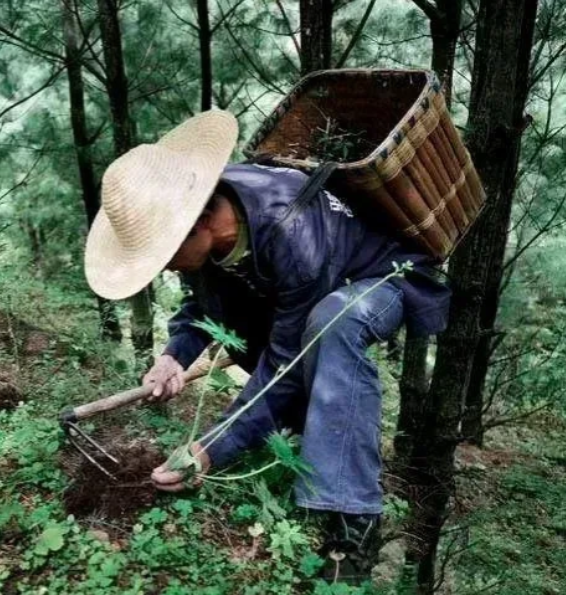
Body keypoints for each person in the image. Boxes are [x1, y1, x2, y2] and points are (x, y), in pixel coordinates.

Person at [83, 110, 450, 585]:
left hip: (382, 278)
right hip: (306, 288)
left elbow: (285, 365)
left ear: (200, 226)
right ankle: (308, 448)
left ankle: (352, 524)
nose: (168, 269)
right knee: (306, 331)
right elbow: (204, 306)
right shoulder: (208, 216)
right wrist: (174, 354)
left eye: (166, 255)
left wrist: (214, 447)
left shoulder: (289, 234)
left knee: (332, 324)